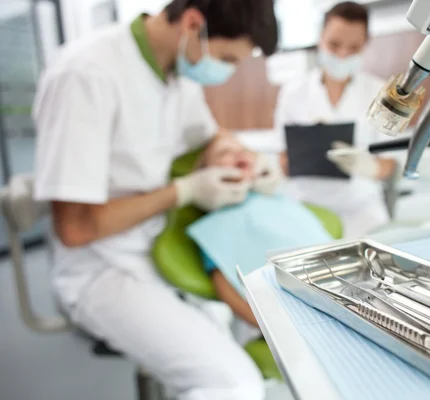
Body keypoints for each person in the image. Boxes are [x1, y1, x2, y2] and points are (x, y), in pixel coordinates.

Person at [33, 1, 280, 399]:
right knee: (233, 384)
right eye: (227, 58)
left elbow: (210, 136)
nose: (227, 71)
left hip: (160, 248)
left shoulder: (177, 71)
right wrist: (184, 191)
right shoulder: (86, 74)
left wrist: (241, 156)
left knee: (251, 328)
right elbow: (75, 228)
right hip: (102, 269)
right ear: (193, 23)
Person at [275, 1, 396, 238]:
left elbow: (390, 164)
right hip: (306, 204)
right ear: (320, 38)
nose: (342, 54)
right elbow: (283, 159)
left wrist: (369, 167)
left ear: (365, 45)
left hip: (361, 207)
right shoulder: (293, 93)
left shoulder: (381, 93)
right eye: (334, 44)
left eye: (353, 48)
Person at [188, 136, 330, 331]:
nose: (239, 153)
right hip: (297, 319)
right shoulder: (217, 225)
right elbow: (226, 287)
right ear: (205, 176)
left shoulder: (279, 200)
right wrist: (275, 331)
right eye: (224, 153)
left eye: (244, 150)